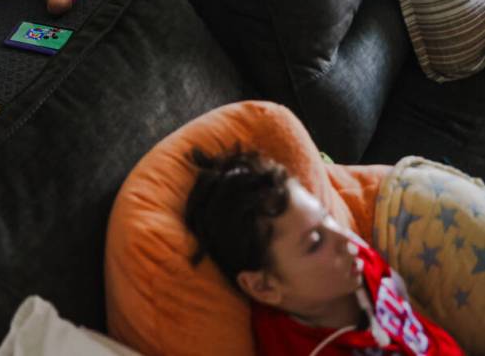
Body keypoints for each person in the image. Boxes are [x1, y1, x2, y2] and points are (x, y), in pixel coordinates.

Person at [184, 147, 463, 355]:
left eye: (326, 217)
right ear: (265, 286)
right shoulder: (296, 347)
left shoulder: (354, 264)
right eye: (315, 241)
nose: (345, 238)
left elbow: (410, 306)